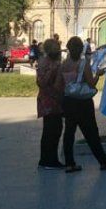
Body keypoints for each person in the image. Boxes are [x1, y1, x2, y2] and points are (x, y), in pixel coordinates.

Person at [60, 37, 106, 173]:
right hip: (83, 103)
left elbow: (61, 83)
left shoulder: (63, 64)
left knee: (69, 132)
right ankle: (104, 161)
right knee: (91, 132)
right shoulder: (83, 63)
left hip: (68, 101)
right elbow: (91, 83)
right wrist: (98, 75)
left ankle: (69, 163)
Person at [35, 39, 65, 170]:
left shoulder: (54, 62)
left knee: (55, 129)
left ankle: (49, 158)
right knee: (51, 129)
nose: (58, 50)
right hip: (49, 99)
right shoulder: (46, 63)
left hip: (54, 99)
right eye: (56, 48)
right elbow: (42, 82)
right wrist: (54, 70)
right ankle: (48, 160)